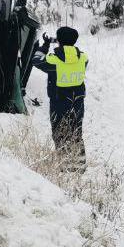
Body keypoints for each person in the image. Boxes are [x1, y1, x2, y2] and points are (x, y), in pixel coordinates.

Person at [30, 26, 88, 171]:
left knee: (60, 132)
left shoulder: (53, 60)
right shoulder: (83, 58)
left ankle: (65, 168)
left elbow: (36, 60)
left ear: (59, 41)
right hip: (78, 101)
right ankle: (79, 166)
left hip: (59, 102)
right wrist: (62, 43)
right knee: (76, 132)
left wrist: (45, 45)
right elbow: (70, 54)